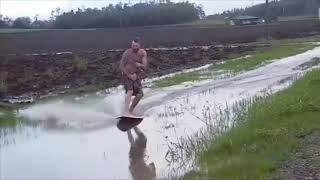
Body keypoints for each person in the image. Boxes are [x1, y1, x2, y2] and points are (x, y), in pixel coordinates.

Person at [120, 37, 148, 117]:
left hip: (136, 75)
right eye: (132, 45)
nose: (134, 47)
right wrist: (129, 75)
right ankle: (125, 112)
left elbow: (145, 66)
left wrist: (140, 65)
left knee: (140, 94)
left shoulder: (142, 52)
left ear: (139, 46)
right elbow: (121, 66)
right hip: (126, 75)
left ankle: (130, 110)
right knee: (130, 91)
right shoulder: (127, 53)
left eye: (136, 46)